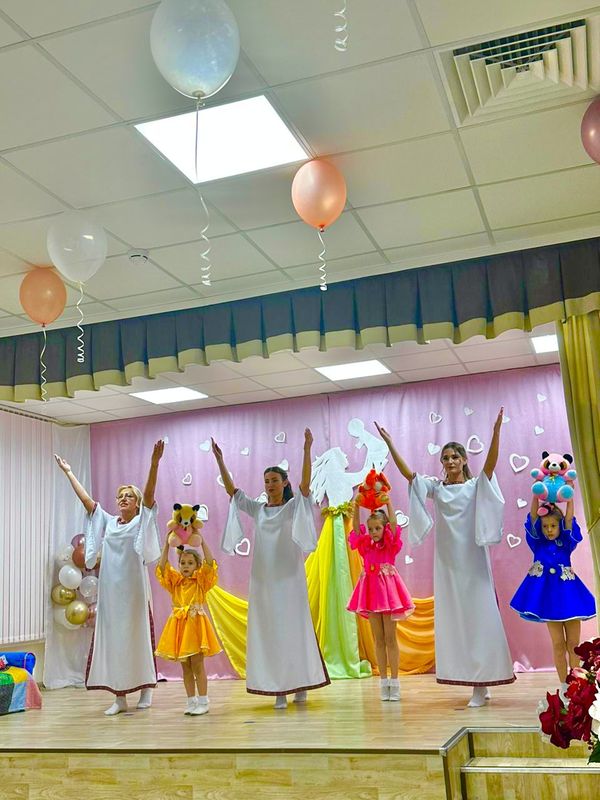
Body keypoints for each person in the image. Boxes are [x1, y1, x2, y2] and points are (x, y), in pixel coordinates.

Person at [375, 410, 515, 707]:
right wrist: (390, 444)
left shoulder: (475, 486)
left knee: (479, 618)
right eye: (445, 458)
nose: (450, 462)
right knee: (457, 621)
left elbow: (490, 465)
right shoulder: (437, 488)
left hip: (473, 560)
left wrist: (496, 432)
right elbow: (410, 476)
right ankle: (476, 682)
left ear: (464, 460)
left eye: (454, 457)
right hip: (448, 564)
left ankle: (482, 682)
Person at [211, 428, 330, 709]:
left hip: (290, 581)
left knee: (293, 630)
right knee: (271, 632)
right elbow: (232, 492)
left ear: (284, 482)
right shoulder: (259, 510)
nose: (269, 485)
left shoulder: (293, 507)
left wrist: (306, 449)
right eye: (266, 481)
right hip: (264, 582)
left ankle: (300, 684)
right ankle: (279, 689)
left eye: (274, 480)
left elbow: (305, 485)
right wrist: (220, 460)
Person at [54, 440, 164, 715]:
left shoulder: (141, 521)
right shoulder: (109, 522)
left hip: (135, 592)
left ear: (137, 503)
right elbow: (87, 502)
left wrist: (154, 463)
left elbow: (150, 495)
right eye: (120, 496)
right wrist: (69, 472)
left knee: (137, 639)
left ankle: (146, 689)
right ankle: (119, 698)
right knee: (115, 642)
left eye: (129, 496)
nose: (123, 499)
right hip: (112, 594)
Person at [510, 496, 595, 694]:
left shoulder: (566, 542)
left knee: (573, 644)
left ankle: (576, 684)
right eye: (545, 526)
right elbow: (533, 517)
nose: (549, 530)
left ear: (559, 526)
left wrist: (570, 500)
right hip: (549, 601)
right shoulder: (538, 543)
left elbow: (569, 519)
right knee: (558, 645)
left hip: (570, 598)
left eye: (553, 526)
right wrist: (535, 496)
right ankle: (564, 685)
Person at [346, 495, 414, 701]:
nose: (374, 532)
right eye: (371, 529)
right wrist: (357, 505)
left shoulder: (390, 545)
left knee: (390, 638)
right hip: (370, 592)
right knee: (379, 639)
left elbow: (393, 524)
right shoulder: (365, 545)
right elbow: (356, 529)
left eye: (378, 528)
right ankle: (383, 681)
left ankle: (395, 681)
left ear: (384, 529)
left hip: (388, 593)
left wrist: (388, 503)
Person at [155, 534, 221, 716]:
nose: (185, 566)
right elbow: (162, 567)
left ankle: (204, 701)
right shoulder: (175, 582)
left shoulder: (200, 581)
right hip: (180, 627)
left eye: (190, 563)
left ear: (197, 566)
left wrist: (203, 541)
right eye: (183, 563)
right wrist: (167, 545)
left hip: (195, 626)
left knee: (197, 665)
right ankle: (191, 701)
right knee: (186, 667)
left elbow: (210, 563)